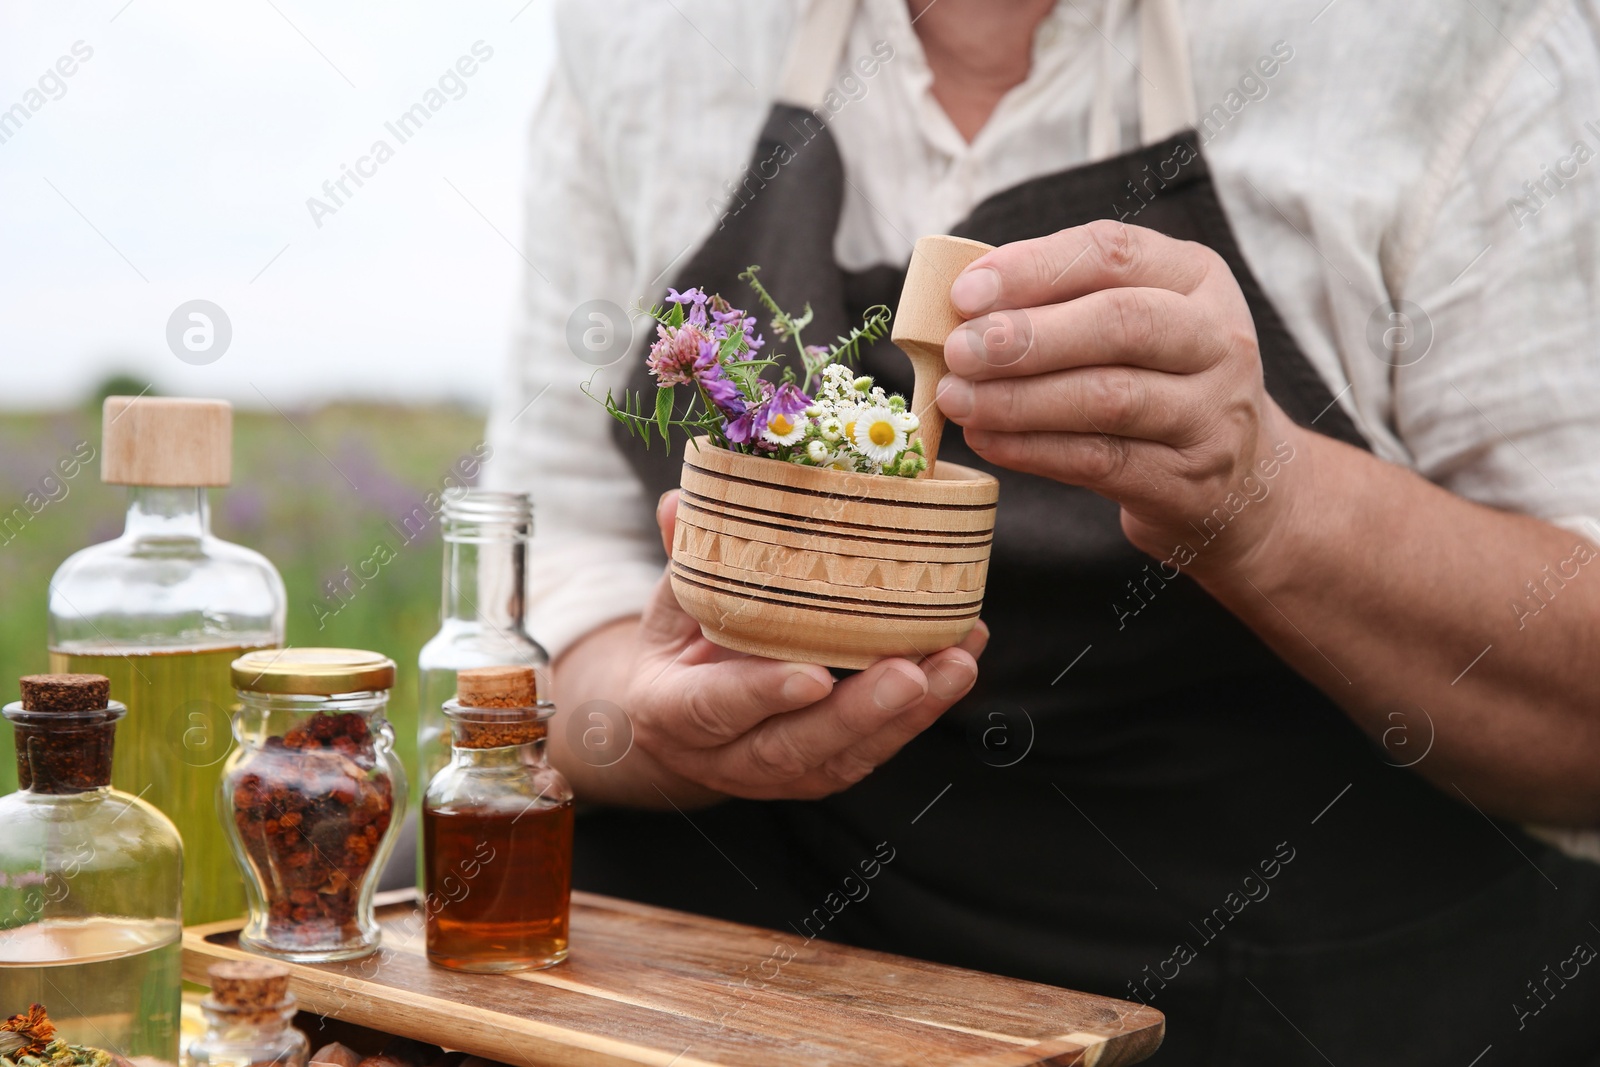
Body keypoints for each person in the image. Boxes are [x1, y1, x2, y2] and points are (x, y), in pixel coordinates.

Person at [485, 0, 1600, 1060]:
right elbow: (550, 589)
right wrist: (645, 714)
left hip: (1286, 976)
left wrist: (1265, 496)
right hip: (763, 957)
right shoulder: (640, 35)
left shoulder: (1446, 41)